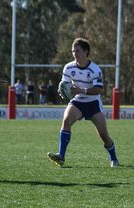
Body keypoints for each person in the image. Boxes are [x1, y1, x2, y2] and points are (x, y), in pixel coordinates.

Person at [47, 38, 119, 167]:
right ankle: (61, 156)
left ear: (86, 52)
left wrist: (81, 90)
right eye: (73, 51)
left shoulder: (95, 69)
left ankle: (113, 158)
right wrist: (63, 91)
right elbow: (65, 85)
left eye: (78, 51)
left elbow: (98, 90)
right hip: (77, 102)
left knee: (103, 135)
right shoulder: (68, 67)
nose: (75, 53)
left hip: (93, 103)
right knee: (66, 121)